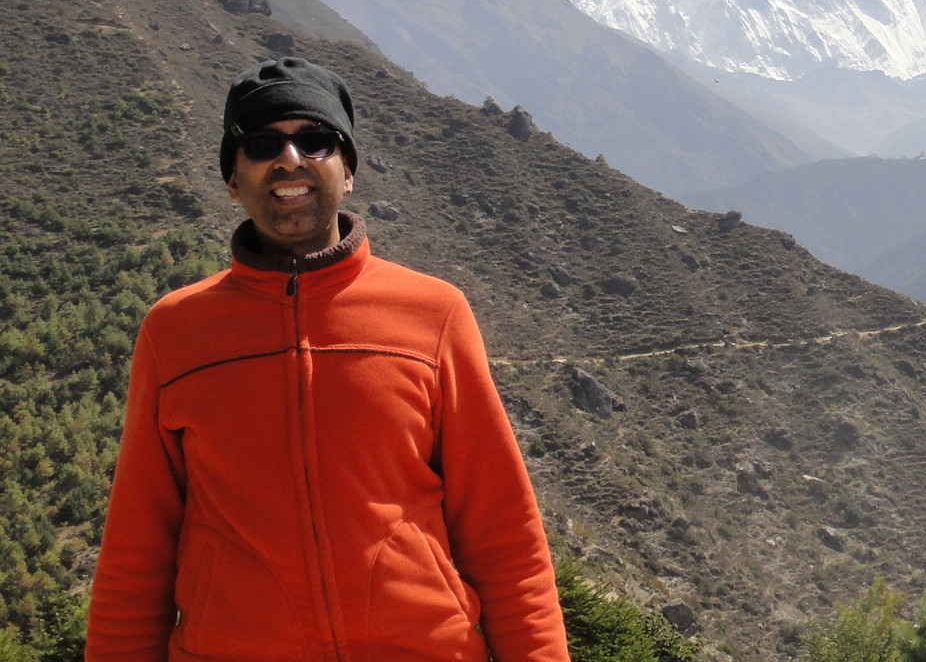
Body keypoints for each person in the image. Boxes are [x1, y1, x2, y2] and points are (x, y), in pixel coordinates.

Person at [86, 58, 569, 662]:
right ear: (233, 181)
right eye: (263, 144)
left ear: (349, 171)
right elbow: (137, 550)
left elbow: (504, 534)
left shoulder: (435, 314)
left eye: (315, 140)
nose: (291, 159)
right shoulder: (175, 333)